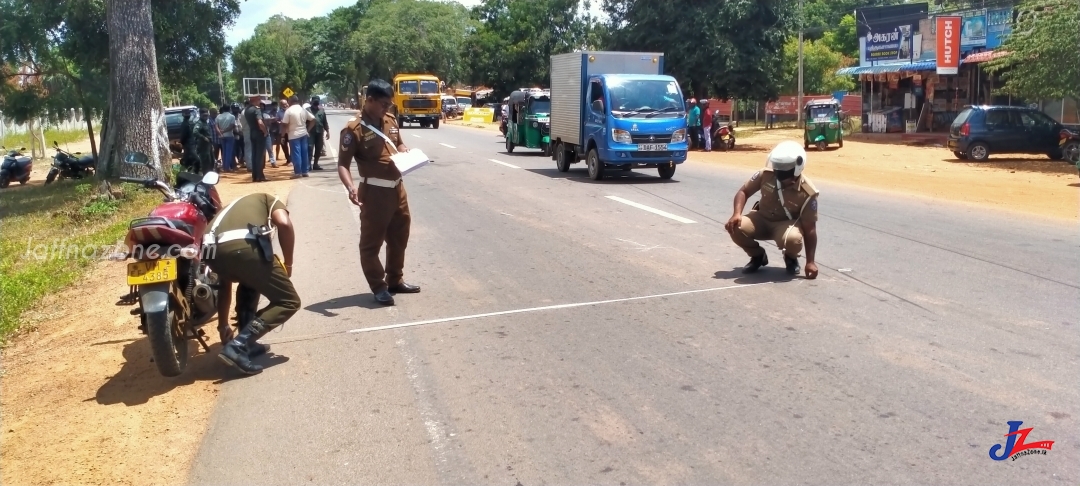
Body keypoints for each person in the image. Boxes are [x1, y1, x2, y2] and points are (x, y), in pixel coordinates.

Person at [336, 79, 420, 306]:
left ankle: (395, 280)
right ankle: (378, 286)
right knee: (371, 244)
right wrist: (351, 187)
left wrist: (406, 152)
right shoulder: (353, 130)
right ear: (369, 100)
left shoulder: (391, 121)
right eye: (383, 104)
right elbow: (342, 164)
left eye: (389, 104)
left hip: (397, 190)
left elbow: (399, 145)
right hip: (373, 193)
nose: (387, 108)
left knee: (399, 238)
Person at [205, 192, 300, 375]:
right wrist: (288, 263)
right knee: (289, 301)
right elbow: (284, 223)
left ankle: (247, 342)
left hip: (210, 253)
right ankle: (239, 345)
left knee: (249, 279)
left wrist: (223, 324)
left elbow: (225, 284)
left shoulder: (229, 211)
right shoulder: (268, 199)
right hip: (242, 248)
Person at [724, 140, 819, 279]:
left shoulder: (808, 193)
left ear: (797, 168)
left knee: (793, 239)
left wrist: (810, 262)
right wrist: (736, 214)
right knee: (735, 226)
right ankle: (757, 256)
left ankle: (790, 257)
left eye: (784, 168)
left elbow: (810, 229)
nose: (778, 171)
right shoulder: (766, 175)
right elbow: (743, 192)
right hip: (761, 218)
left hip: (784, 225)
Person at [283, 95, 315, 178]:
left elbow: (285, 124)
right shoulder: (303, 110)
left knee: (296, 154)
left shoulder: (288, 111)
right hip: (303, 134)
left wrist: (283, 134)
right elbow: (313, 119)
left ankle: (297, 172)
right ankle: (305, 171)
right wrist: (308, 130)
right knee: (304, 153)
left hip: (293, 135)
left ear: (290, 101)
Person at [244, 95, 268, 182]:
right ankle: (260, 176)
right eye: (259, 99)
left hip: (252, 133)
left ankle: (255, 176)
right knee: (260, 156)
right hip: (259, 134)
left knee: (254, 155)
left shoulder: (247, 110)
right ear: (255, 100)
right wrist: (265, 131)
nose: (260, 101)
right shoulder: (256, 109)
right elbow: (260, 122)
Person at [308, 96, 330, 171]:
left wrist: (328, 131)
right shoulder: (307, 110)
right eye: (315, 101)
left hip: (319, 132)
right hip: (310, 132)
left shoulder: (321, 110)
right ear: (312, 101)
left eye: (317, 101)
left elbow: (325, 122)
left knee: (319, 149)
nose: (316, 102)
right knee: (310, 148)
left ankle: (315, 164)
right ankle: (308, 165)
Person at [216, 104, 237, 172]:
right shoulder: (232, 116)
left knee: (224, 152)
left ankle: (224, 166)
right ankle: (227, 168)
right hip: (229, 135)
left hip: (221, 136)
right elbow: (232, 126)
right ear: (229, 109)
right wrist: (224, 131)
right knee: (228, 152)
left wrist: (220, 132)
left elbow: (216, 126)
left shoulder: (218, 116)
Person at [194, 108, 214, 174]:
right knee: (206, 162)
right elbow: (195, 132)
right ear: (200, 115)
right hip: (203, 145)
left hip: (208, 144)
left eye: (207, 115)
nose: (206, 117)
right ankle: (206, 176)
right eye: (204, 116)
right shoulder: (199, 123)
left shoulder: (205, 122)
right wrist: (203, 137)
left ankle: (210, 175)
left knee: (211, 161)